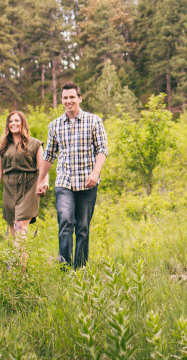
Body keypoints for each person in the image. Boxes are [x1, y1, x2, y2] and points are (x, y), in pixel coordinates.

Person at [39, 82, 108, 269]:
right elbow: (49, 156)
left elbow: (102, 150)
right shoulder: (54, 126)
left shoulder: (94, 121)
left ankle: (80, 270)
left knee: (83, 228)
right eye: (65, 98)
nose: (68, 101)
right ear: (61, 101)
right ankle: (65, 268)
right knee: (65, 222)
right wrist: (40, 180)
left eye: (72, 97)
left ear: (79, 99)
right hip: (64, 182)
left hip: (88, 182)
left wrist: (95, 173)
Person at [0, 111, 47, 237]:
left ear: (23, 123)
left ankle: (19, 257)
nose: (13, 123)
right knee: (14, 231)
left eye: (16, 120)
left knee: (20, 226)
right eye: (10, 121)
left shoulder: (35, 144)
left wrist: (44, 184)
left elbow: (43, 168)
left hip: (29, 188)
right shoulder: (3, 147)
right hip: (9, 190)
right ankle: (20, 257)